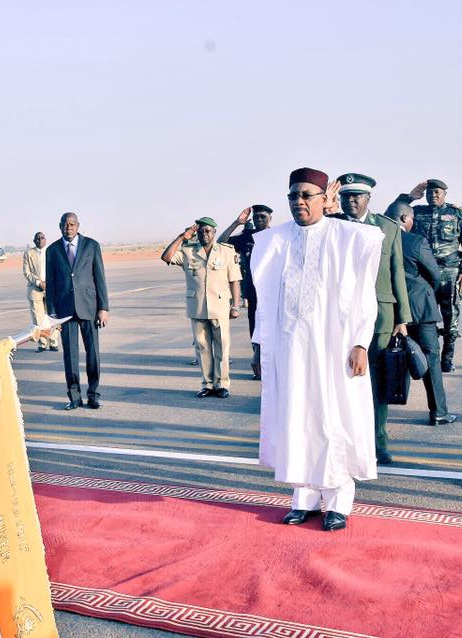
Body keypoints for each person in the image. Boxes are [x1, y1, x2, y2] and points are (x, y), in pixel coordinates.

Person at [251, 167, 382, 532]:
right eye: (293, 195)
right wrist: (262, 346)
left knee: (332, 416)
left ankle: (338, 499)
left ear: (326, 199)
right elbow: (263, 301)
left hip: (333, 348)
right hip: (291, 348)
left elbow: (363, 295)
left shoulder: (347, 237)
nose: (299, 202)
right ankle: (304, 497)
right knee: (297, 417)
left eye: (307, 195)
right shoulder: (274, 242)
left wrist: (360, 341)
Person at [335, 173, 411, 465]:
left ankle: (379, 440)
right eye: (346, 196)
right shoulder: (334, 226)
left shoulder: (387, 228)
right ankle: (346, 440)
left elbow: (397, 272)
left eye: (356, 196)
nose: (350, 200)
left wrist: (402, 317)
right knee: (343, 380)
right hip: (341, 315)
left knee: (377, 381)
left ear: (368, 199)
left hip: (380, 315)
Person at [387, 201, 458, 425]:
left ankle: (380, 415)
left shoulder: (378, 239)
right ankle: (438, 412)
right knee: (431, 360)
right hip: (421, 311)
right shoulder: (416, 241)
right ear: (404, 219)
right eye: (411, 220)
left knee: (387, 361)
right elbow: (435, 276)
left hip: (390, 311)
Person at [393, 179, 462, 372]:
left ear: (445, 193)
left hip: (450, 272)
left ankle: (447, 359)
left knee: (450, 318)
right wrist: (409, 197)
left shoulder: (457, 214)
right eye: (430, 192)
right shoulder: (417, 212)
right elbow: (394, 213)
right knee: (421, 317)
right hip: (424, 274)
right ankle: (422, 358)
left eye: (437, 192)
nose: (433, 195)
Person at [161, 217, 242, 398]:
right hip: (198, 307)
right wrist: (182, 236)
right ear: (196, 233)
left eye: (208, 231)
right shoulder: (188, 252)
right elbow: (166, 257)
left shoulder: (226, 252)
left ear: (214, 233)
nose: (204, 234)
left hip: (220, 306)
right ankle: (207, 384)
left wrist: (236, 306)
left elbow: (234, 280)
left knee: (222, 347)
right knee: (202, 347)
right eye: (201, 231)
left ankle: (222, 384)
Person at [45, 212, 110, 410]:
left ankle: (93, 394)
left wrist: (103, 307)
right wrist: (52, 314)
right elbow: (51, 284)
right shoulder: (53, 250)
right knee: (70, 356)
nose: (69, 228)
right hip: (65, 311)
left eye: (72, 224)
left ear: (78, 225)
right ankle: (74, 397)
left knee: (93, 354)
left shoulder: (92, 245)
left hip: (89, 308)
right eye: (65, 225)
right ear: (60, 226)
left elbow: (100, 277)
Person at [219, 204, 273, 346]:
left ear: (270, 218)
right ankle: (258, 361)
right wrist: (237, 223)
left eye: (263, 216)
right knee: (255, 331)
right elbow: (221, 243)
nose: (259, 219)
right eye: (256, 217)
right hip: (253, 292)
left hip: (274, 292)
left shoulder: (277, 236)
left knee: (274, 331)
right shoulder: (246, 236)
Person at [23, 231, 59, 352]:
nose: (40, 240)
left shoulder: (53, 252)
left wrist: (50, 283)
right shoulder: (28, 253)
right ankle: (42, 343)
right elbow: (26, 272)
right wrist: (39, 283)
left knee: (52, 317)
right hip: (35, 290)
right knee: (38, 320)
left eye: (42, 237)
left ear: (46, 239)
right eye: (37, 238)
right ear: (34, 241)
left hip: (52, 290)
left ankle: (53, 342)